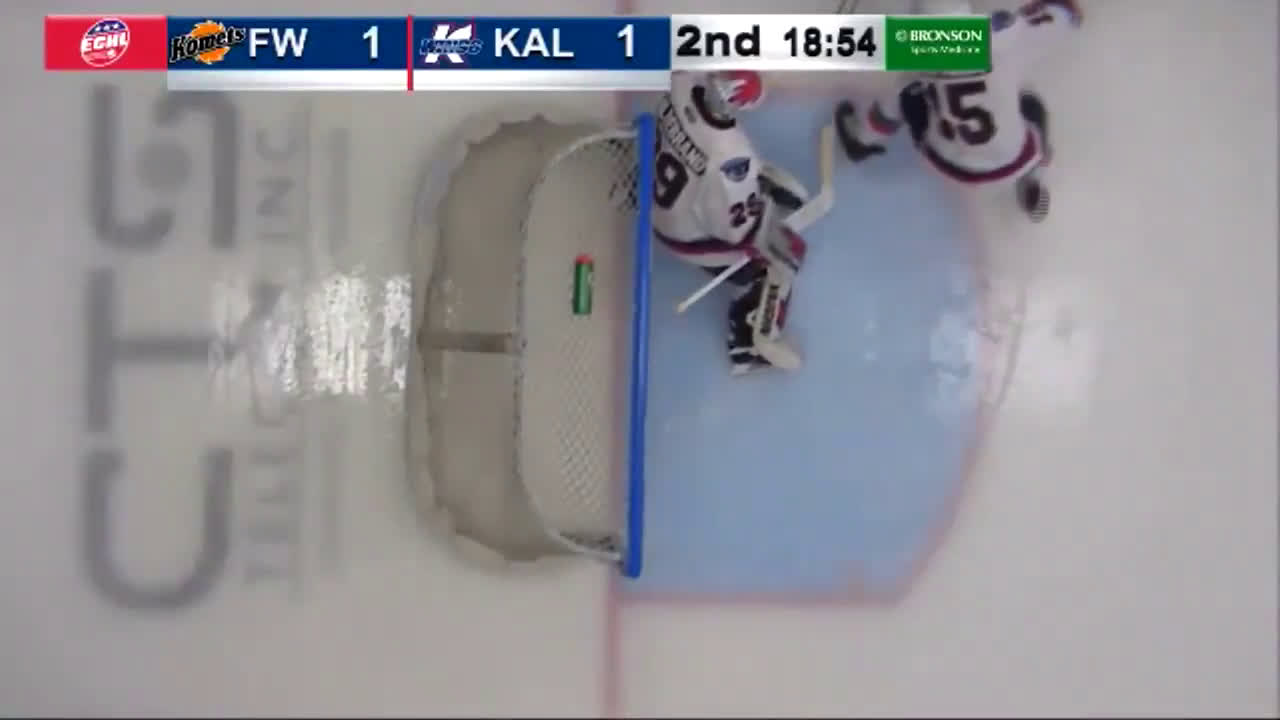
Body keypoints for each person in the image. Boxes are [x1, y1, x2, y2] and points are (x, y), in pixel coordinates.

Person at [834, 0, 1084, 222]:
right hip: (1010, 161)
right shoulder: (1002, 38)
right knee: (1031, 104)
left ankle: (862, 140)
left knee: (906, 93)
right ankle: (1036, 175)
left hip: (948, 163)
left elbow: (890, 105)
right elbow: (1068, 12)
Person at [651, 70, 812, 375]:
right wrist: (774, 233)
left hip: (654, 188)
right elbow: (739, 232)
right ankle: (747, 343)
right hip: (680, 233)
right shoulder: (732, 157)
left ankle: (755, 192)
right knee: (785, 258)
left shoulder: (683, 81)